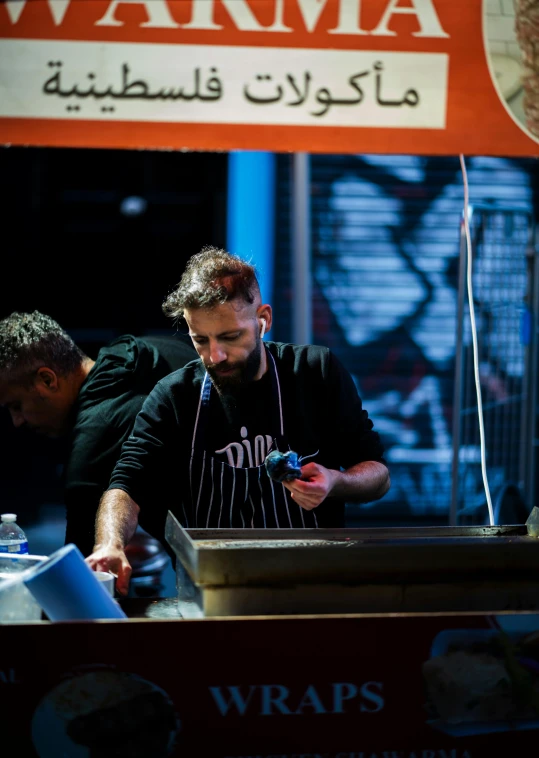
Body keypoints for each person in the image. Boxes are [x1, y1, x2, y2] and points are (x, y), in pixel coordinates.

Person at [87, 246, 390, 594]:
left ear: (263, 319)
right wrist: (109, 543)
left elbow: (378, 475)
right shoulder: (174, 396)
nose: (214, 356)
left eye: (230, 337)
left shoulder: (316, 373)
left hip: (315, 585)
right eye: (200, 340)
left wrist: (335, 481)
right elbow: (125, 486)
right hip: (212, 592)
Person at [0, 311, 197, 557]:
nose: (17, 421)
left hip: (224, 568)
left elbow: (81, 577)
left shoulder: (91, 445)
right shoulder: (152, 348)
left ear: (47, 379)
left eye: (16, 405)